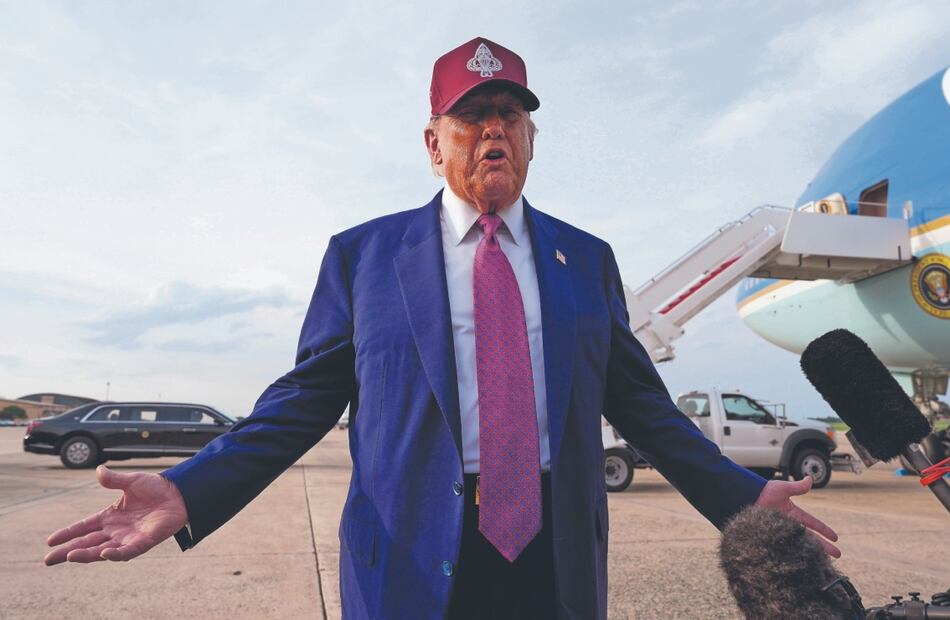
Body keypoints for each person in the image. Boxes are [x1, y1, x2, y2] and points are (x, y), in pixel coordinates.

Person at [43, 37, 839, 619]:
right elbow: (300, 403)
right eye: (472, 117)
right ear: (434, 144)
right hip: (413, 562)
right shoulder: (364, 257)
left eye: (509, 116)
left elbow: (643, 408)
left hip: (554, 559)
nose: (494, 130)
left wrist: (745, 493)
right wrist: (190, 488)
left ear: (531, 140)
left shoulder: (584, 260)